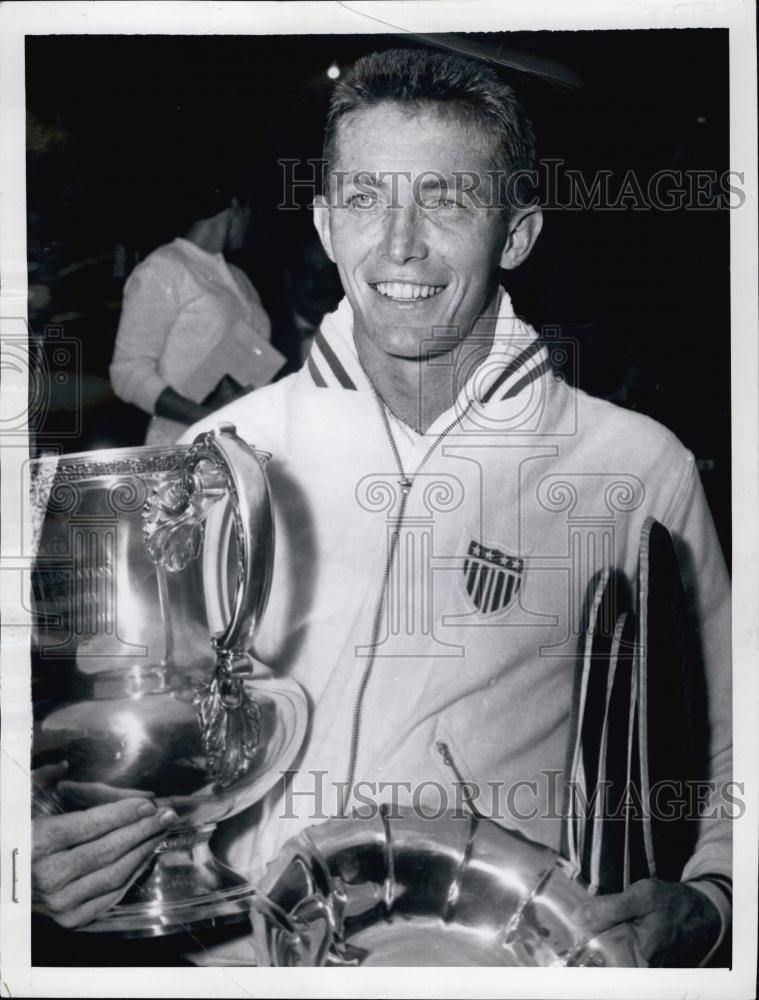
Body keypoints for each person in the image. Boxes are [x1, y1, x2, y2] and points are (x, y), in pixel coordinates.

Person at [32, 48, 731, 967]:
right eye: (364, 198)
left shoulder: (634, 465)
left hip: (487, 970)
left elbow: (734, 739)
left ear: (515, 233)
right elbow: (117, 725)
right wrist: (48, 846)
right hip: (234, 965)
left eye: (444, 200)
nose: (398, 245)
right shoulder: (218, 457)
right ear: (324, 224)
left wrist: (711, 901)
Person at [109, 188, 283, 445]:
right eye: (250, 213)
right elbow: (127, 373)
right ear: (235, 206)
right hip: (180, 444)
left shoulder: (240, 278)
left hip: (240, 440)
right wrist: (209, 419)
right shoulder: (163, 266)